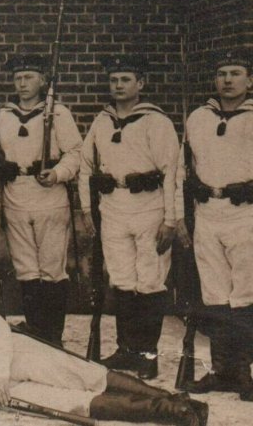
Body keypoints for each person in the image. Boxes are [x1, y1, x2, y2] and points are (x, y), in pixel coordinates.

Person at [0, 262, 208, 426]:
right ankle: (167, 412)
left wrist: (2, 371)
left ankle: (171, 398)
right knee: (71, 404)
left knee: (82, 373)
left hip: (10, 356)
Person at [78, 55, 179, 379]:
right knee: (121, 278)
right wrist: (85, 210)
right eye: (114, 80)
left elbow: (172, 172)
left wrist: (171, 220)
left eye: (125, 79)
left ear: (141, 84)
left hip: (149, 207)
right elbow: (85, 167)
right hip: (113, 208)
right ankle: (126, 350)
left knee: (149, 280)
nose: (118, 86)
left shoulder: (155, 121)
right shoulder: (102, 121)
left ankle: (147, 354)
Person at [174, 48, 253, 401]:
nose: (228, 80)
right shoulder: (198, 118)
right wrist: (180, 214)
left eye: (236, 73)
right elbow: (182, 170)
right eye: (222, 73)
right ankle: (222, 370)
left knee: (246, 293)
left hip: (245, 213)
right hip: (207, 212)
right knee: (215, 293)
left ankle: (246, 373)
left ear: (249, 80)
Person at [0, 54, 83, 345]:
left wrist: (57, 174)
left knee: (51, 268)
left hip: (48, 196)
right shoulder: (4, 116)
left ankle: (52, 335)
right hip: (15, 194)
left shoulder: (57, 113)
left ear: (43, 80)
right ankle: (35, 332)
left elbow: (75, 153)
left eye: (29, 77)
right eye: (18, 78)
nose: (22, 83)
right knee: (26, 267)